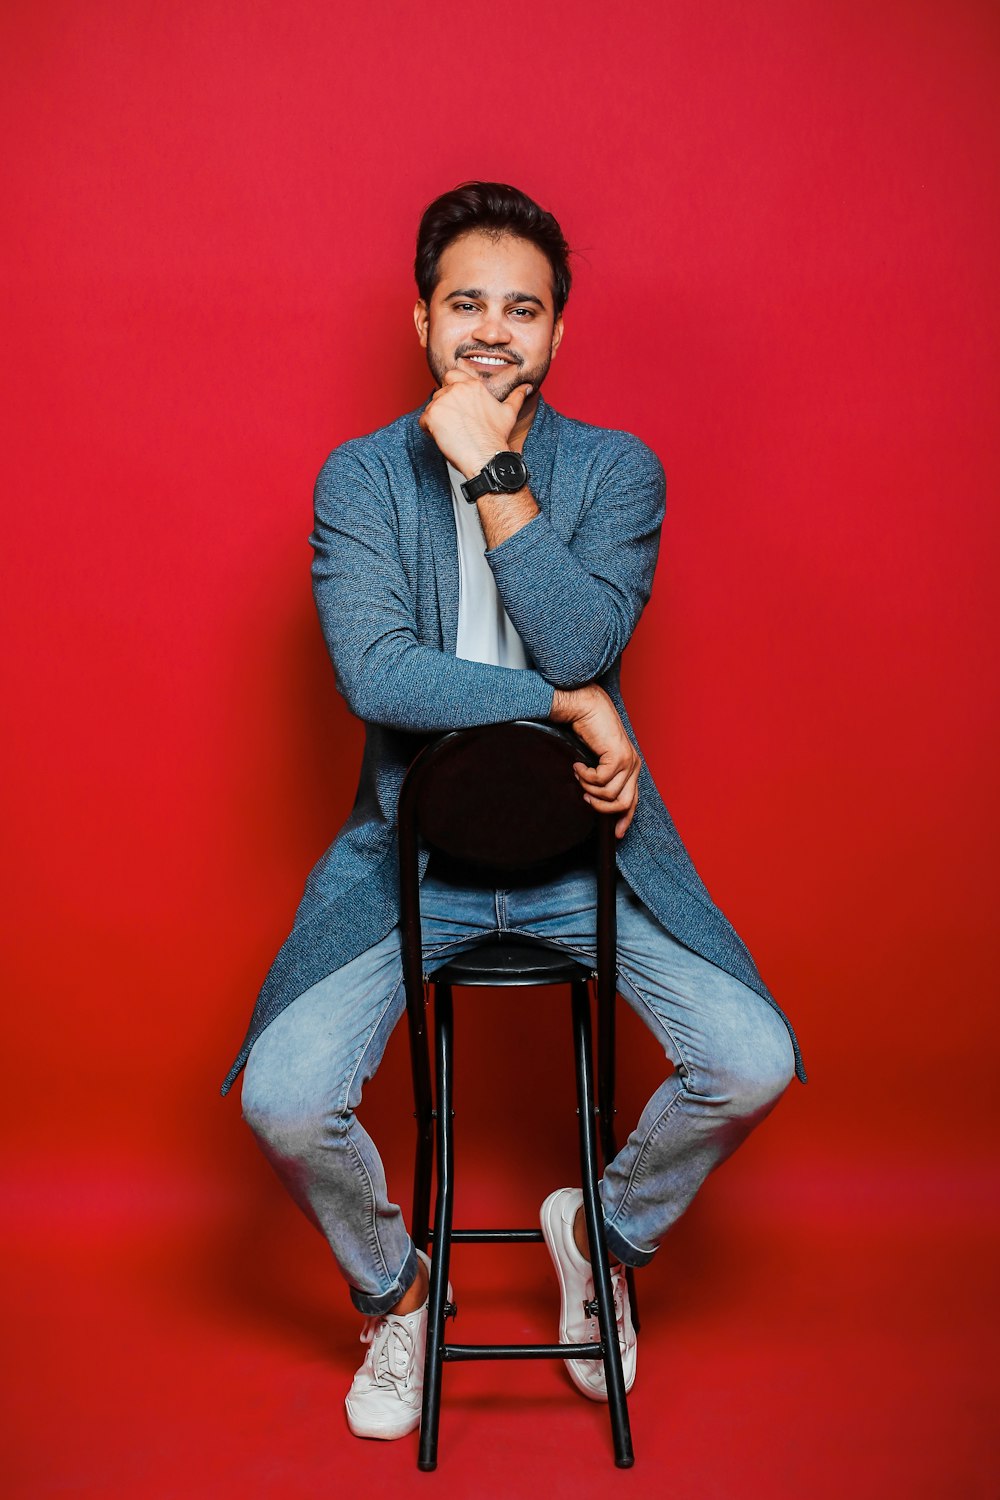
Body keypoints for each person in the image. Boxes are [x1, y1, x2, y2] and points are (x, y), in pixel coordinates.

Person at [225, 182, 803, 1441]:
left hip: (590, 862)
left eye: (523, 309)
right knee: (281, 1097)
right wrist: (570, 705)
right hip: (408, 864)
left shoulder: (614, 472)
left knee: (752, 1061)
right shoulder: (360, 479)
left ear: (558, 333)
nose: (493, 331)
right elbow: (377, 672)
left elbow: (588, 626)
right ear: (420, 319)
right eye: (466, 304)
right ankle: (402, 1290)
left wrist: (489, 464)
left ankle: (597, 1235)